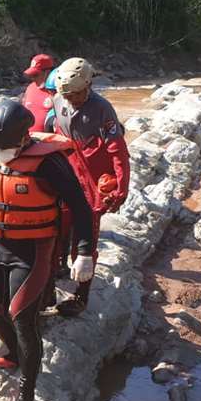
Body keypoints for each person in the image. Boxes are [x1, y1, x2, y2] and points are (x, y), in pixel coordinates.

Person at [0, 100, 95, 401]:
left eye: (4, 147)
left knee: (22, 318)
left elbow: (81, 207)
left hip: (31, 249)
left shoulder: (49, 163)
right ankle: (14, 354)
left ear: (22, 138)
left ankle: (26, 395)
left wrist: (84, 252)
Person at [50, 57, 130, 316]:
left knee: (85, 238)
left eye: (76, 94)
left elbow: (117, 151)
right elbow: (53, 136)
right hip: (67, 176)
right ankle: (57, 268)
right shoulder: (58, 101)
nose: (71, 99)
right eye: (67, 95)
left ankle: (81, 295)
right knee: (58, 228)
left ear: (88, 85)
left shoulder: (102, 109)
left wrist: (121, 188)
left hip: (93, 184)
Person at [21, 54, 56, 133]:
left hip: (48, 138)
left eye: (35, 75)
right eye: (31, 75)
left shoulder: (56, 91)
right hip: (27, 138)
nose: (32, 78)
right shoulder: (30, 88)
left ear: (47, 72)